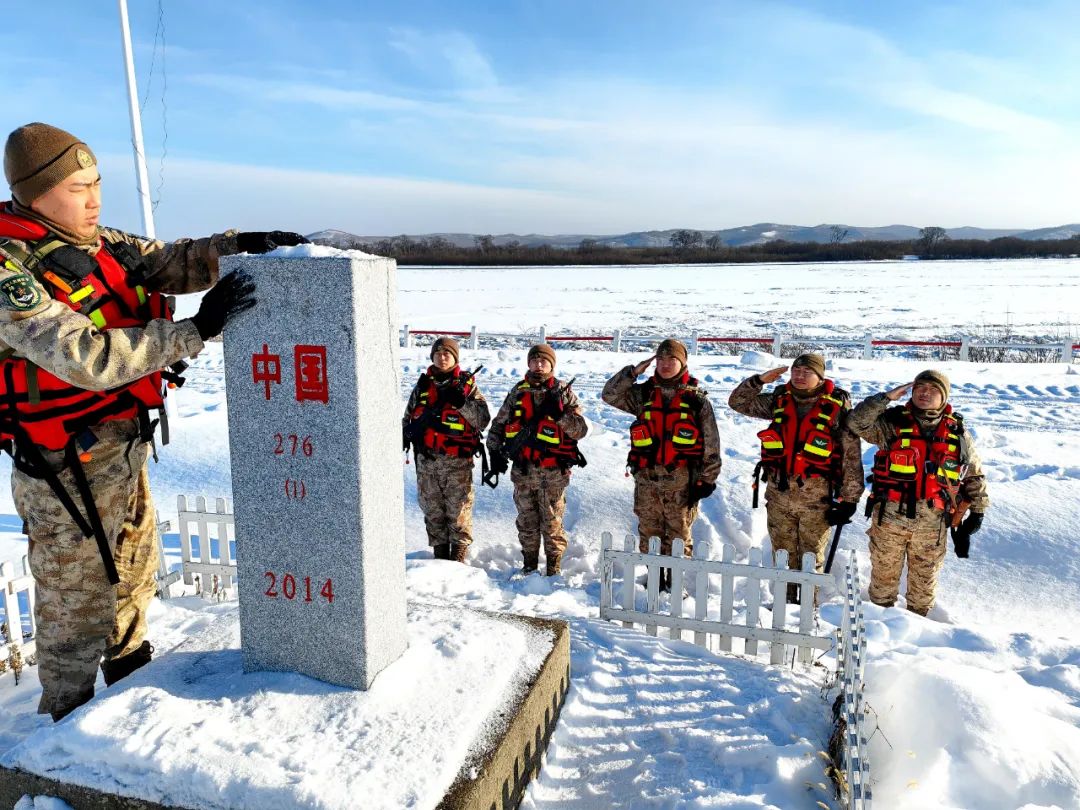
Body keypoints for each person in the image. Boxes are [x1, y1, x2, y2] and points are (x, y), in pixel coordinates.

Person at [0, 122, 307, 720]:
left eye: (98, 183)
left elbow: (169, 261)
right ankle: (61, 733)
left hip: (123, 445)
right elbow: (86, 355)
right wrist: (195, 331)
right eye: (78, 188)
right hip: (64, 467)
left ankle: (129, 696)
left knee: (133, 580)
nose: (94, 200)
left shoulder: (97, 241)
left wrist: (239, 244)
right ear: (34, 196)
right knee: (74, 607)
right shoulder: (8, 269)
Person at [848, 369, 989, 616]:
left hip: (933, 524)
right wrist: (885, 398)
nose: (925, 393)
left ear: (944, 396)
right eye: (919, 388)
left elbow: (973, 474)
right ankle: (877, 629)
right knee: (882, 584)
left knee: (923, 589)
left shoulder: (957, 433)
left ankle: (916, 630)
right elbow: (856, 423)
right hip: (890, 519)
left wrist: (977, 512)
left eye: (933, 389)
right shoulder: (891, 424)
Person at [728, 353, 863, 602]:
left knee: (811, 558)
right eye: (795, 371)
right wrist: (758, 380)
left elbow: (850, 453)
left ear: (820, 377)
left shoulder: (836, 407)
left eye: (806, 372)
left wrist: (849, 499)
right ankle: (785, 606)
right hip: (779, 493)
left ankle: (807, 610)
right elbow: (737, 402)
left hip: (817, 497)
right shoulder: (780, 399)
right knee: (783, 555)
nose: (799, 376)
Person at [602, 339, 720, 590]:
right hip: (646, 479)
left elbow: (711, 442)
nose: (666, 365)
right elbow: (610, 394)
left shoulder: (696, 400)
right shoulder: (643, 394)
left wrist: (707, 479)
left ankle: (675, 587)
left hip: (681, 481)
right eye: (661, 359)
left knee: (678, 537)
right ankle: (655, 583)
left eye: (672, 360)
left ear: (683, 362)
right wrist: (632, 373)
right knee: (649, 534)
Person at [487, 343, 587, 575]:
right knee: (526, 521)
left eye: (544, 361)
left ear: (552, 364)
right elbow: (498, 425)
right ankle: (529, 564)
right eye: (534, 360)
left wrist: (560, 415)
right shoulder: (518, 392)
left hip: (553, 471)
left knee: (552, 521)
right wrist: (493, 451)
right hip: (523, 470)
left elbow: (580, 430)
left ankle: (553, 566)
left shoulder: (562, 391)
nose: (539, 365)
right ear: (529, 363)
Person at [403, 336, 490, 562]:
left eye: (447, 354)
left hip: (456, 463)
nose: (442, 358)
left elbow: (482, 420)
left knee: (458, 512)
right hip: (426, 461)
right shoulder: (423, 386)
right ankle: (439, 559)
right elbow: (408, 416)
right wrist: (405, 434)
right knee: (432, 511)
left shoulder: (467, 385)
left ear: (455, 358)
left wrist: (462, 403)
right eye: (438, 354)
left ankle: (458, 560)